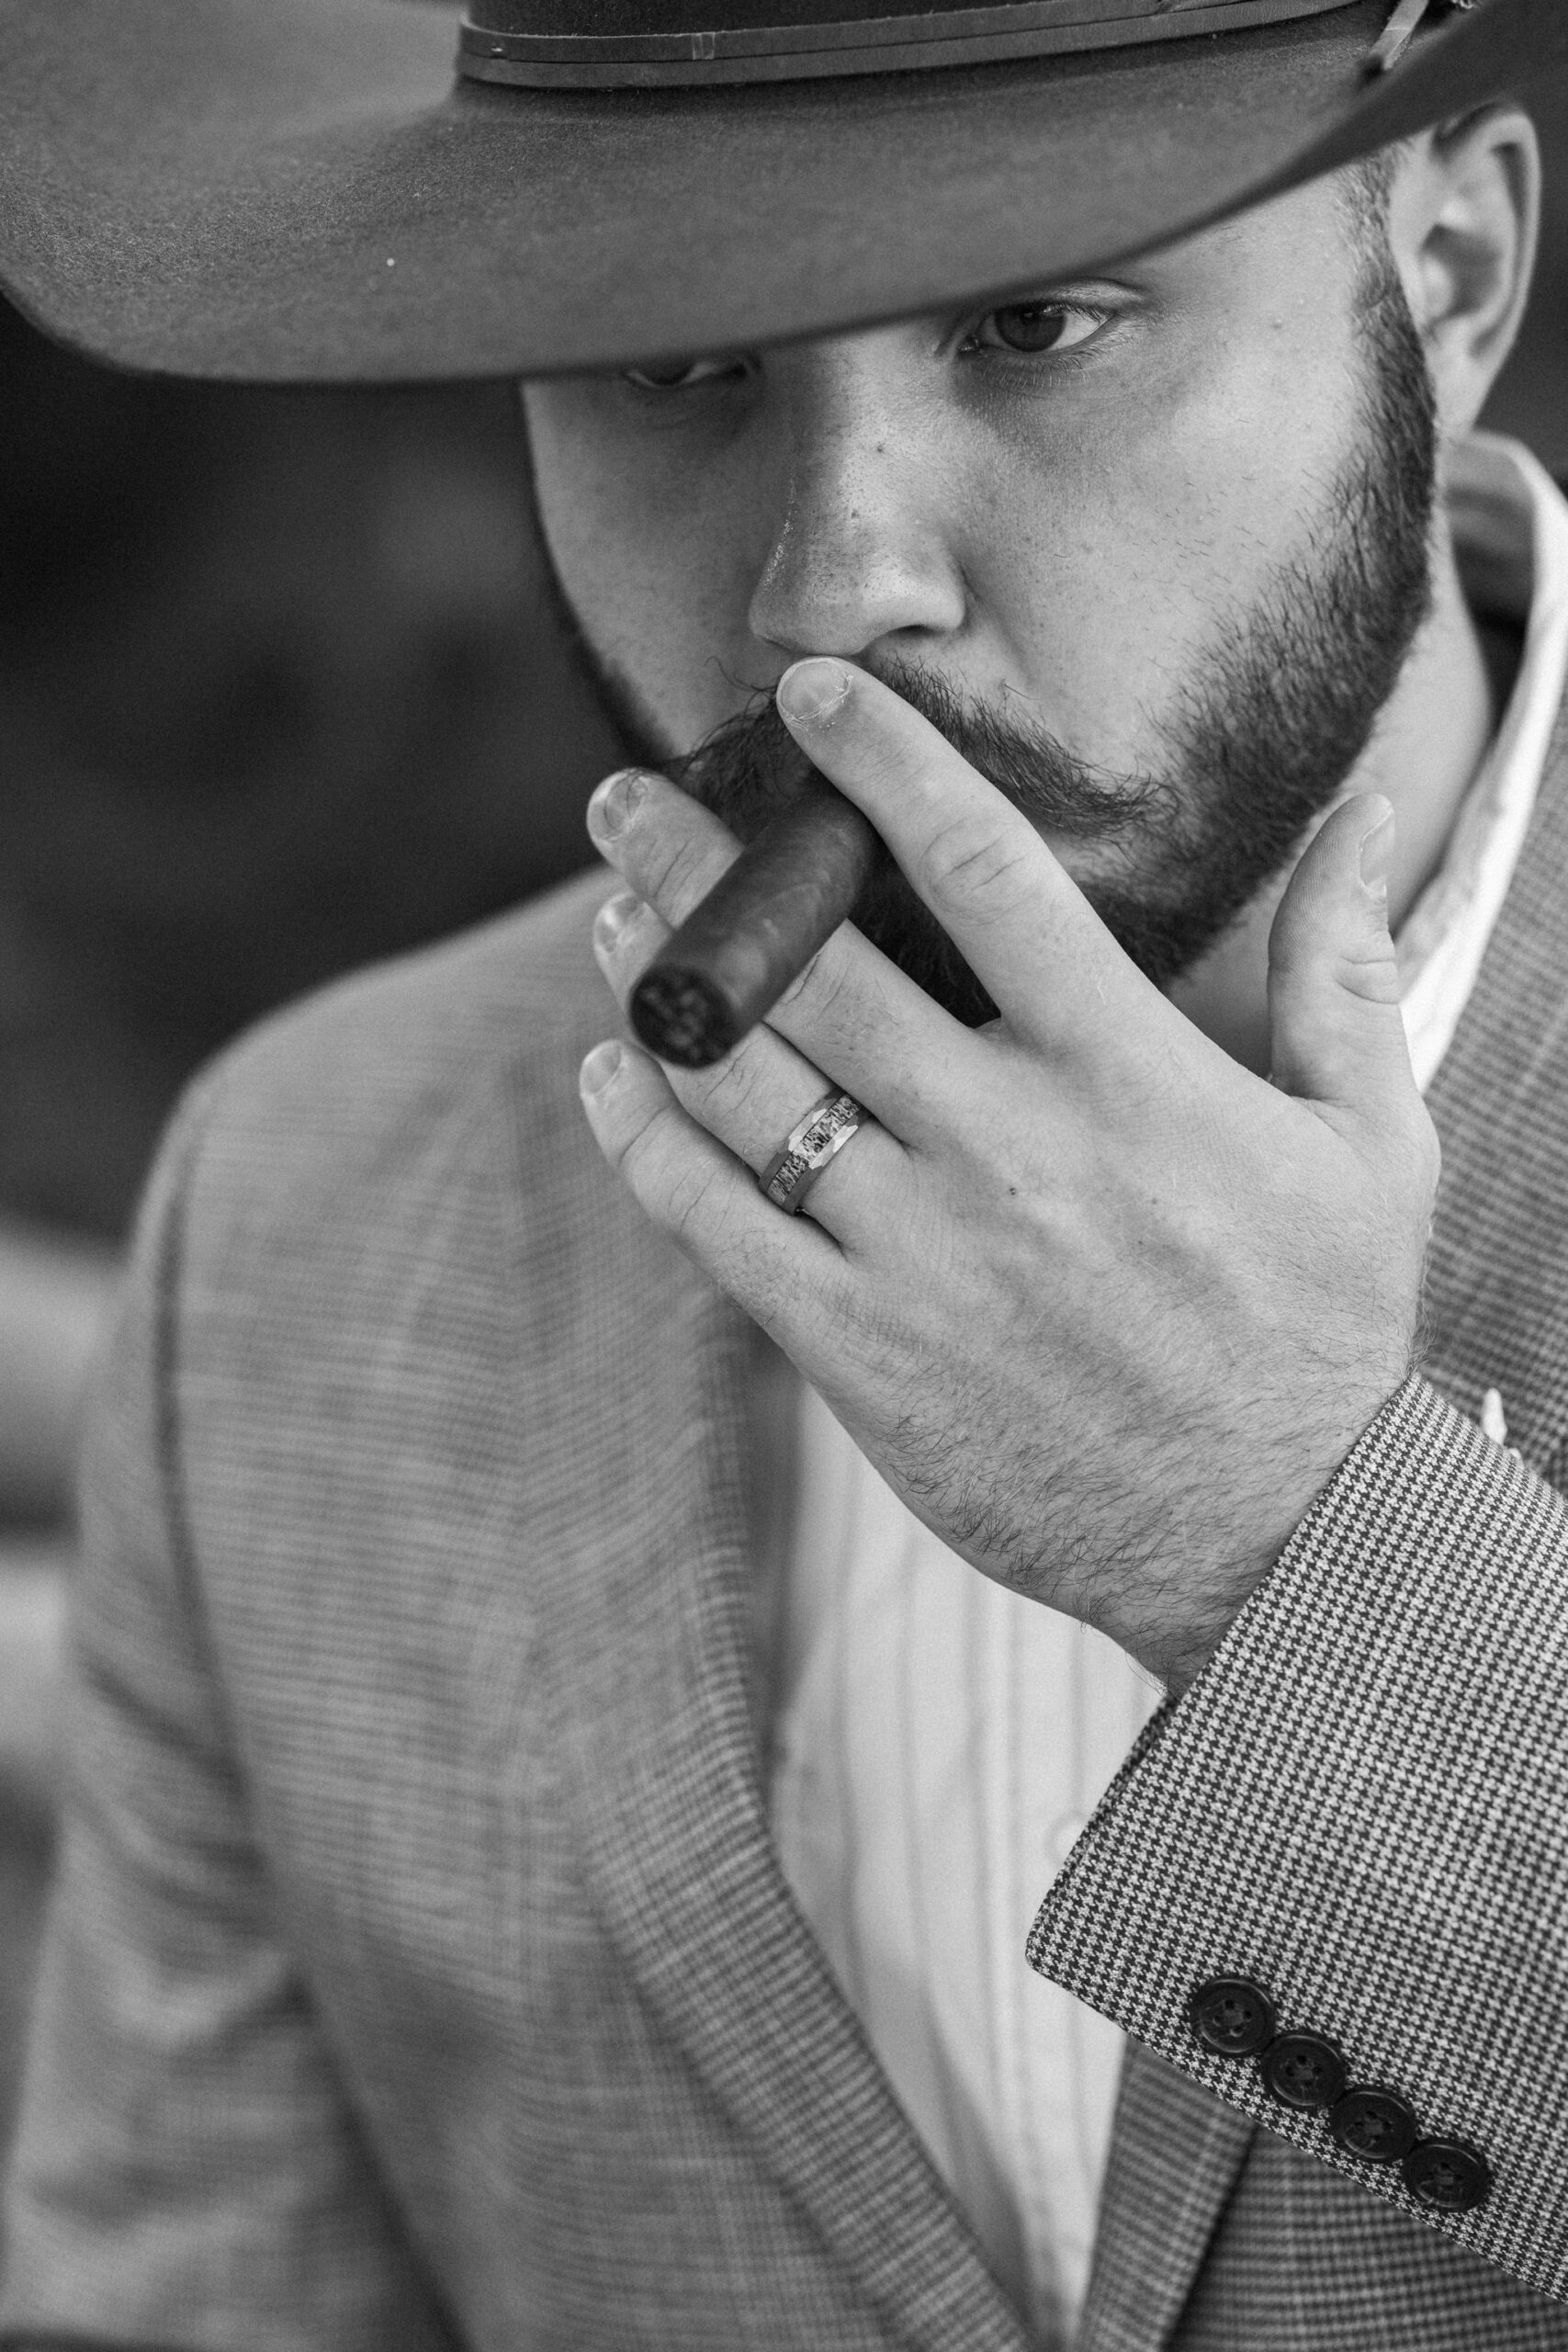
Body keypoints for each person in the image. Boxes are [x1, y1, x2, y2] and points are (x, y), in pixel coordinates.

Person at [3, 0, 1568, 2342]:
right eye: (677, 368)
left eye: (1037, 324)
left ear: (1442, 275)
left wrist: (1281, 1553)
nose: (833, 585)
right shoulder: (301, 1214)